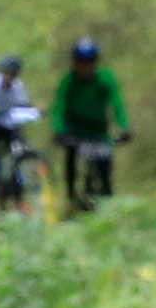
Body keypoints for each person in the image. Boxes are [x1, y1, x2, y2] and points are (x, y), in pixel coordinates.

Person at [50, 36, 129, 212]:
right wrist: (58, 130)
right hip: (75, 131)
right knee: (71, 161)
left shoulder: (105, 78)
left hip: (98, 132)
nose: (85, 66)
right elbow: (59, 108)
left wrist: (124, 127)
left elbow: (117, 104)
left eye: (89, 61)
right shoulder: (68, 82)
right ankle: (71, 197)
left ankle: (107, 205)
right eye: (81, 62)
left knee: (105, 170)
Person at [0, 51, 44, 217]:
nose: (9, 77)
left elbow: (23, 104)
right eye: (7, 73)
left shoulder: (18, 86)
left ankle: (17, 189)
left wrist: (36, 111)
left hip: (8, 123)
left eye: (13, 74)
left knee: (16, 149)